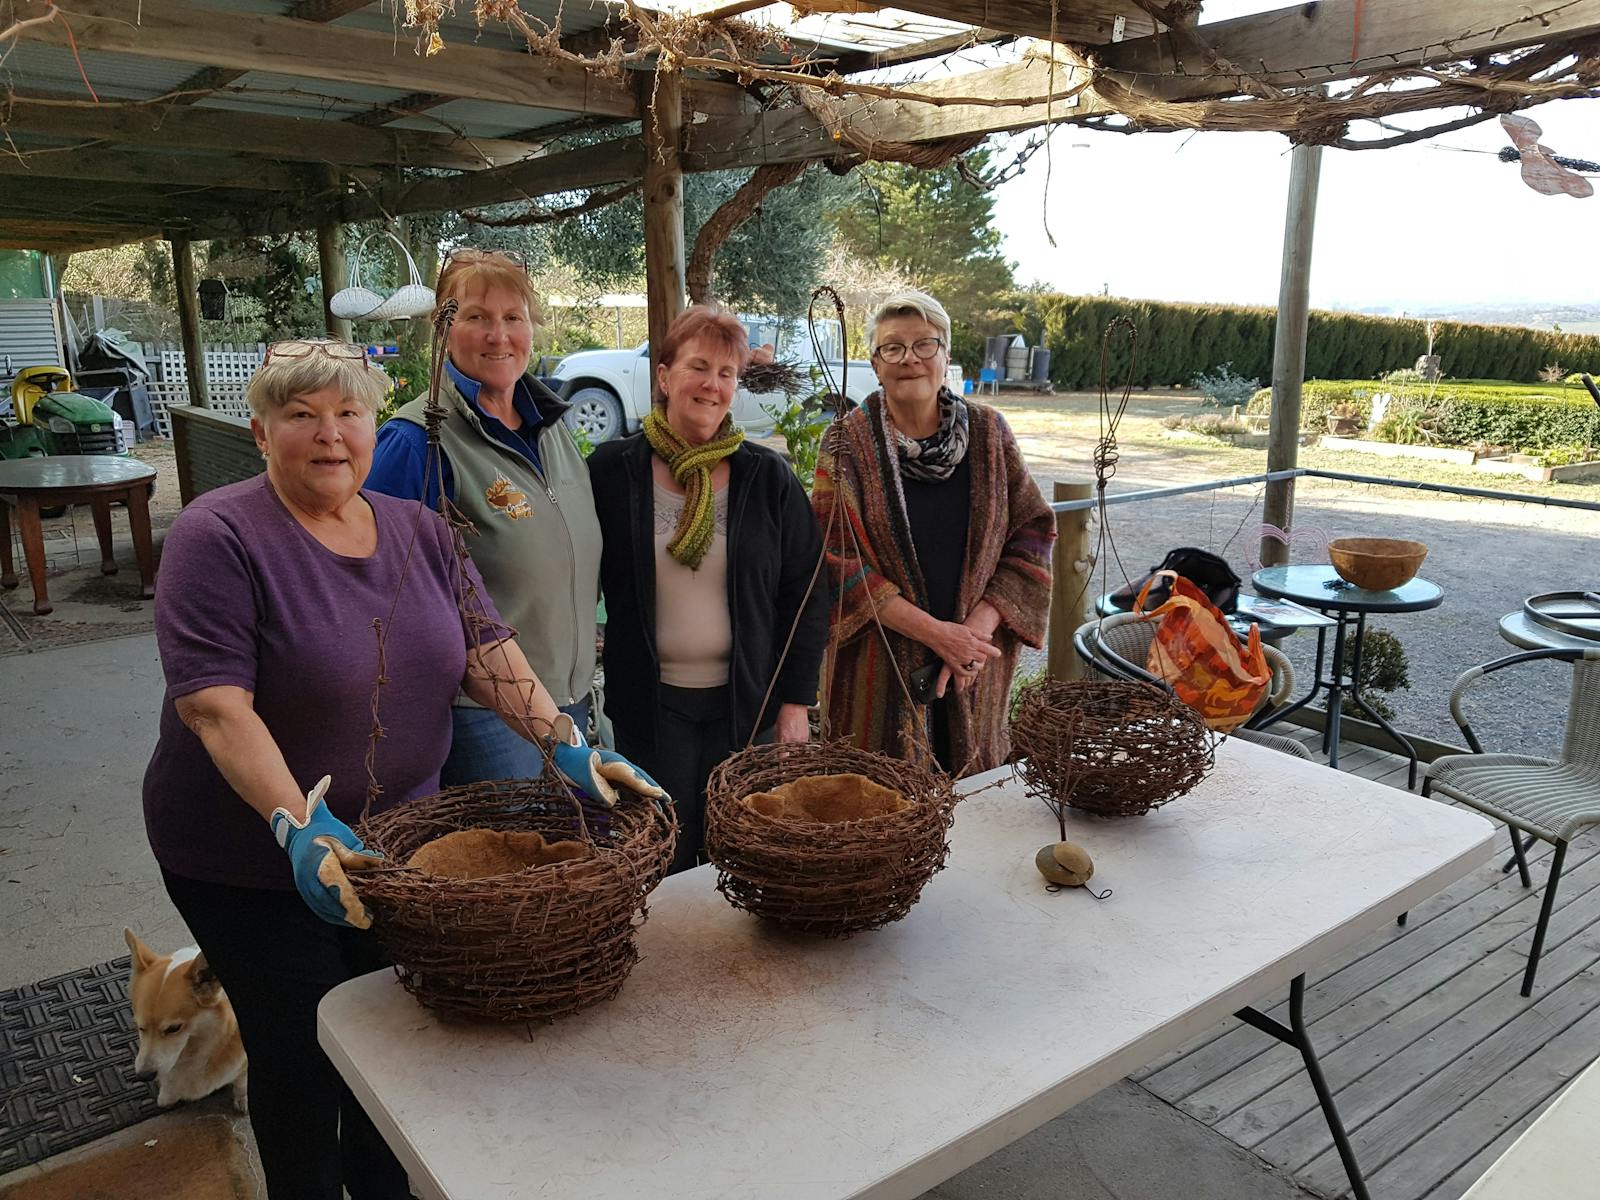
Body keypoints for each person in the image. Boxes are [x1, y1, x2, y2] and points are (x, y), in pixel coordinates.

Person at [141, 339, 660, 1200]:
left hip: (390, 846)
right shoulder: (219, 534)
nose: (329, 433)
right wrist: (297, 827)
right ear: (261, 431)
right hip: (247, 856)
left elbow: (487, 652)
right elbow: (214, 706)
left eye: (348, 413)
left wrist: (567, 741)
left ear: (375, 428)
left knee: (389, 1039)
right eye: (302, 415)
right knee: (305, 1048)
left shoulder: (420, 531)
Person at [589, 305, 829, 873]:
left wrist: (796, 705)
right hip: (651, 703)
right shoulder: (612, 471)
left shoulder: (765, 477)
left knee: (742, 848)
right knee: (664, 850)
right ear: (665, 376)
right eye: (699, 366)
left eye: (727, 373)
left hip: (747, 706)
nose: (712, 385)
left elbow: (807, 591)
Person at [366, 247, 602, 784]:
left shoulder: (553, 428)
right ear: (444, 329)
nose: (499, 336)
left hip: (571, 697)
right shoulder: (416, 440)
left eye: (512, 318)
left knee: (568, 860)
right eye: (476, 318)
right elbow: (387, 591)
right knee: (510, 862)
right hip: (485, 717)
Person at [811, 289, 1054, 776]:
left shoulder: (990, 434)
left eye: (925, 345)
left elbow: (1033, 531)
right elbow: (834, 561)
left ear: (945, 355)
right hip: (878, 678)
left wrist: (974, 633)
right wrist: (937, 635)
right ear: (876, 366)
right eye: (892, 348)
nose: (910, 360)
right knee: (882, 811)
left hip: (973, 668)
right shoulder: (846, 444)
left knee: (975, 808)